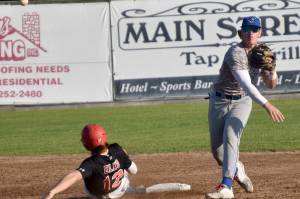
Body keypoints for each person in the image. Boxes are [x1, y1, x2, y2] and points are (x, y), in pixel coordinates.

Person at [206, 16, 285, 199]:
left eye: (255, 29)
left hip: (242, 101)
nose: (251, 32)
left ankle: (226, 187)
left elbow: (270, 84)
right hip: (219, 100)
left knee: (231, 137)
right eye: (247, 29)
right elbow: (246, 82)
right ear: (240, 32)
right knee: (218, 153)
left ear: (260, 33)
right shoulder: (235, 52)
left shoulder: (263, 52)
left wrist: (272, 70)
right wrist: (267, 105)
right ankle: (237, 168)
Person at [42, 124, 138, 199]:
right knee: (123, 163)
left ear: (86, 144)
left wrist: (53, 191)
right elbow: (134, 171)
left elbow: (74, 176)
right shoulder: (116, 149)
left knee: (88, 173)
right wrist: (123, 156)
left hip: (95, 195)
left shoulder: (90, 163)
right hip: (119, 191)